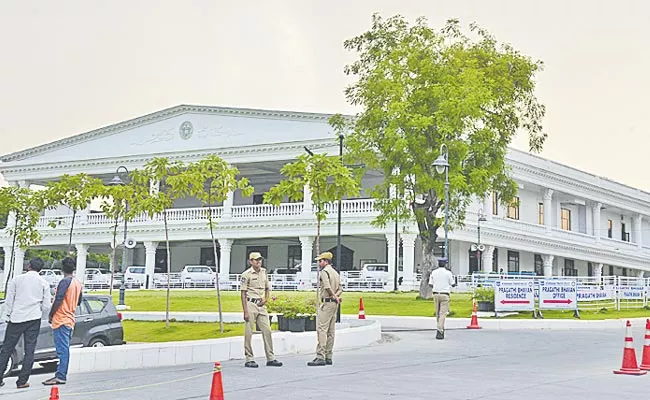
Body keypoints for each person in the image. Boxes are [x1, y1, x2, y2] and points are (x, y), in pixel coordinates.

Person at [0, 257, 51, 389]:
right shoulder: (43, 283)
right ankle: (22, 381)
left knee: (7, 348)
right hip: (33, 319)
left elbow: (9, 300)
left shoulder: (17, 279)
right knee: (30, 350)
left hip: (16, 318)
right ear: (40, 269)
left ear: (29, 266)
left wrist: (7, 315)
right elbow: (46, 306)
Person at [42, 257, 83, 386]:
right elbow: (79, 301)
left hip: (61, 319)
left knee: (62, 350)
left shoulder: (64, 282)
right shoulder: (77, 283)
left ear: (62, 269)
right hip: (70, 319)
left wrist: (50, 315)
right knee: (64, 349)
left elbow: (58, 299)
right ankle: (60, 374)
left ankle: (60, 376)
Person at [240, 252, 282, 368]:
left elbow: (268, 288)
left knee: (267, 330)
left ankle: (271, 358)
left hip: (261, 304)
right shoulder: (246, 274)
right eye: (256, 260)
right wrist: (245, 311)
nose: (258, 261)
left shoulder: (264, 272)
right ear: (251, 261)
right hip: (250, 303)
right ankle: (249, 358)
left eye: (260, 259)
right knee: (249, 332)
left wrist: (266, 299)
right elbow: (243, 293)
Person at [308, 252, 342, 366]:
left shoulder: (324, 272)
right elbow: (341, 287)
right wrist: (337, 296)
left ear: (325, 261)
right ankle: (329, 355)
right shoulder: (335, 272)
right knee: (331, 331)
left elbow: (327, 287)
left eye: (320, 261)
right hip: (334, 304)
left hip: (327, 302)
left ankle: (320, 355)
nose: (319, 263)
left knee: (322, 329)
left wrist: (333, 296)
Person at [428, 257, 455, 340]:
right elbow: (453, 283)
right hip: (445, 294)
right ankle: (440, 330)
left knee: (437, 313)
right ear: (445, 264)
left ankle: (440, 328)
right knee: (443, 313)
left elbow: (430, 284)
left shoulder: (434, 272)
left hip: (436, 294)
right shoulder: (448, 273)